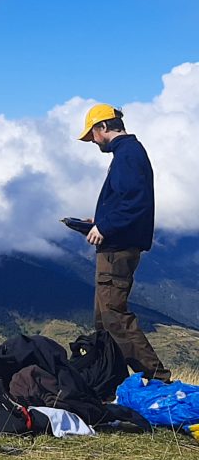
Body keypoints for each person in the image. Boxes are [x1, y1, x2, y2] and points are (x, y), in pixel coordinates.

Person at [77, 104, 171, 382]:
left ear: (103, 127)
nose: (93, 141)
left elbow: (135, 201)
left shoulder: (128, 154)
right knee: (103, 319)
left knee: (114, 316)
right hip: (116, 245)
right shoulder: (129, 153)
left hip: (118, 248)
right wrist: (99, 219)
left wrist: (105, 226)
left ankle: (157, 378)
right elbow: (127, 199)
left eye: (92, 135)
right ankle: (108, 380)